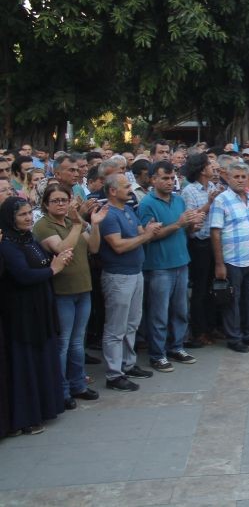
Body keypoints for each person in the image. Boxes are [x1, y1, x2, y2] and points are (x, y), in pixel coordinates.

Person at [0, 197, 72, 434]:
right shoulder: (8, 244)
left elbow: (42, 264)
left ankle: (44, 408)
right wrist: (53, 269)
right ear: (10, 219)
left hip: (40, 306)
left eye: (30, 213)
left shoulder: (29, 238)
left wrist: (54, 265)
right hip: (22, 313)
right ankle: (26, 417)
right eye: (22, 215)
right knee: (26, 364)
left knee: (43, 358)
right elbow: (23, 275)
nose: (29, 218)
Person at [34, 183, 106, 410]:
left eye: (64, 200)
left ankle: (78, 384)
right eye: (55, 200)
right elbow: (63, 249)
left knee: (77, 341)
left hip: (82, 288)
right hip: (62, 292)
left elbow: (93, 247)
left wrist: (93, 226)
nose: (61, 204)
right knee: (63, 343)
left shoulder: (71, 222)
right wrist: (78, 224)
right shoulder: (44, 226)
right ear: (46, 204)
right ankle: (61, 389)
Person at [138, 161, 204, 372]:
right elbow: (150, 236)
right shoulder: (147, 204)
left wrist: (193, 225)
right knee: (159, 313)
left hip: (181, 262)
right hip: (159, 266)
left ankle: (177, 347)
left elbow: (185, 230)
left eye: (171, 178)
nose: (169, 182)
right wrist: (178, 224)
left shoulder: (179, 200)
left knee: (180, 310)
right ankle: (157, 354)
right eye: (164, 178)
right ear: (153, 179)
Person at [99, 174, 162, 391]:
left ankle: (128, 363)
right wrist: (146, 237)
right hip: (118, 276)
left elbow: (139, 233)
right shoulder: (108, 215)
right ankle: (114, 374)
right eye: (126, 186)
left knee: (132, 322)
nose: (130, 190)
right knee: (116, 327)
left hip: (135, 273)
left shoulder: (127, 210)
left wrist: (150, 230)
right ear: (113, 191)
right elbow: (118, 246)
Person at [210, 162, 249, 353]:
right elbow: (215, 233)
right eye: (236, 177)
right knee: (233, 302)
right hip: (232, 260)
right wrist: (219, 264)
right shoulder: (221, 200)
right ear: (228, 177)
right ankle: (234, 338)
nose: (241, 180)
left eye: (243, 176)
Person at [181, 153, 223, 346]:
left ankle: (211, 326)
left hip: (214, 241)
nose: (211, 168)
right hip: (199, 244)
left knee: (212, 288)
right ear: (200, 169)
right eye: (208, 165)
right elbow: (191, 218)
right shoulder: (189, 191)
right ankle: (198, 331)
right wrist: (209, 202)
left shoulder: (213, 187)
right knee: (199, 289)